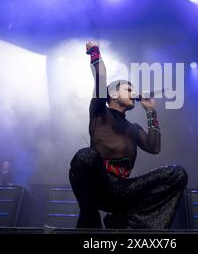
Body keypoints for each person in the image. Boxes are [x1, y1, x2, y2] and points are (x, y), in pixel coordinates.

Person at [68, 41, 188, 229]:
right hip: (99, 184)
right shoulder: (100, 112)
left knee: (177, 174)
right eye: (129, 89)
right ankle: (89, 216)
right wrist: (94, 51)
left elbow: (154, 148)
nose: (134, 93)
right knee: (85, 156)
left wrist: (151, 111)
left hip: (124, 191)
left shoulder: (133, 128)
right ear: (113, 95)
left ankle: (126, 222)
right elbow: (101, 76)